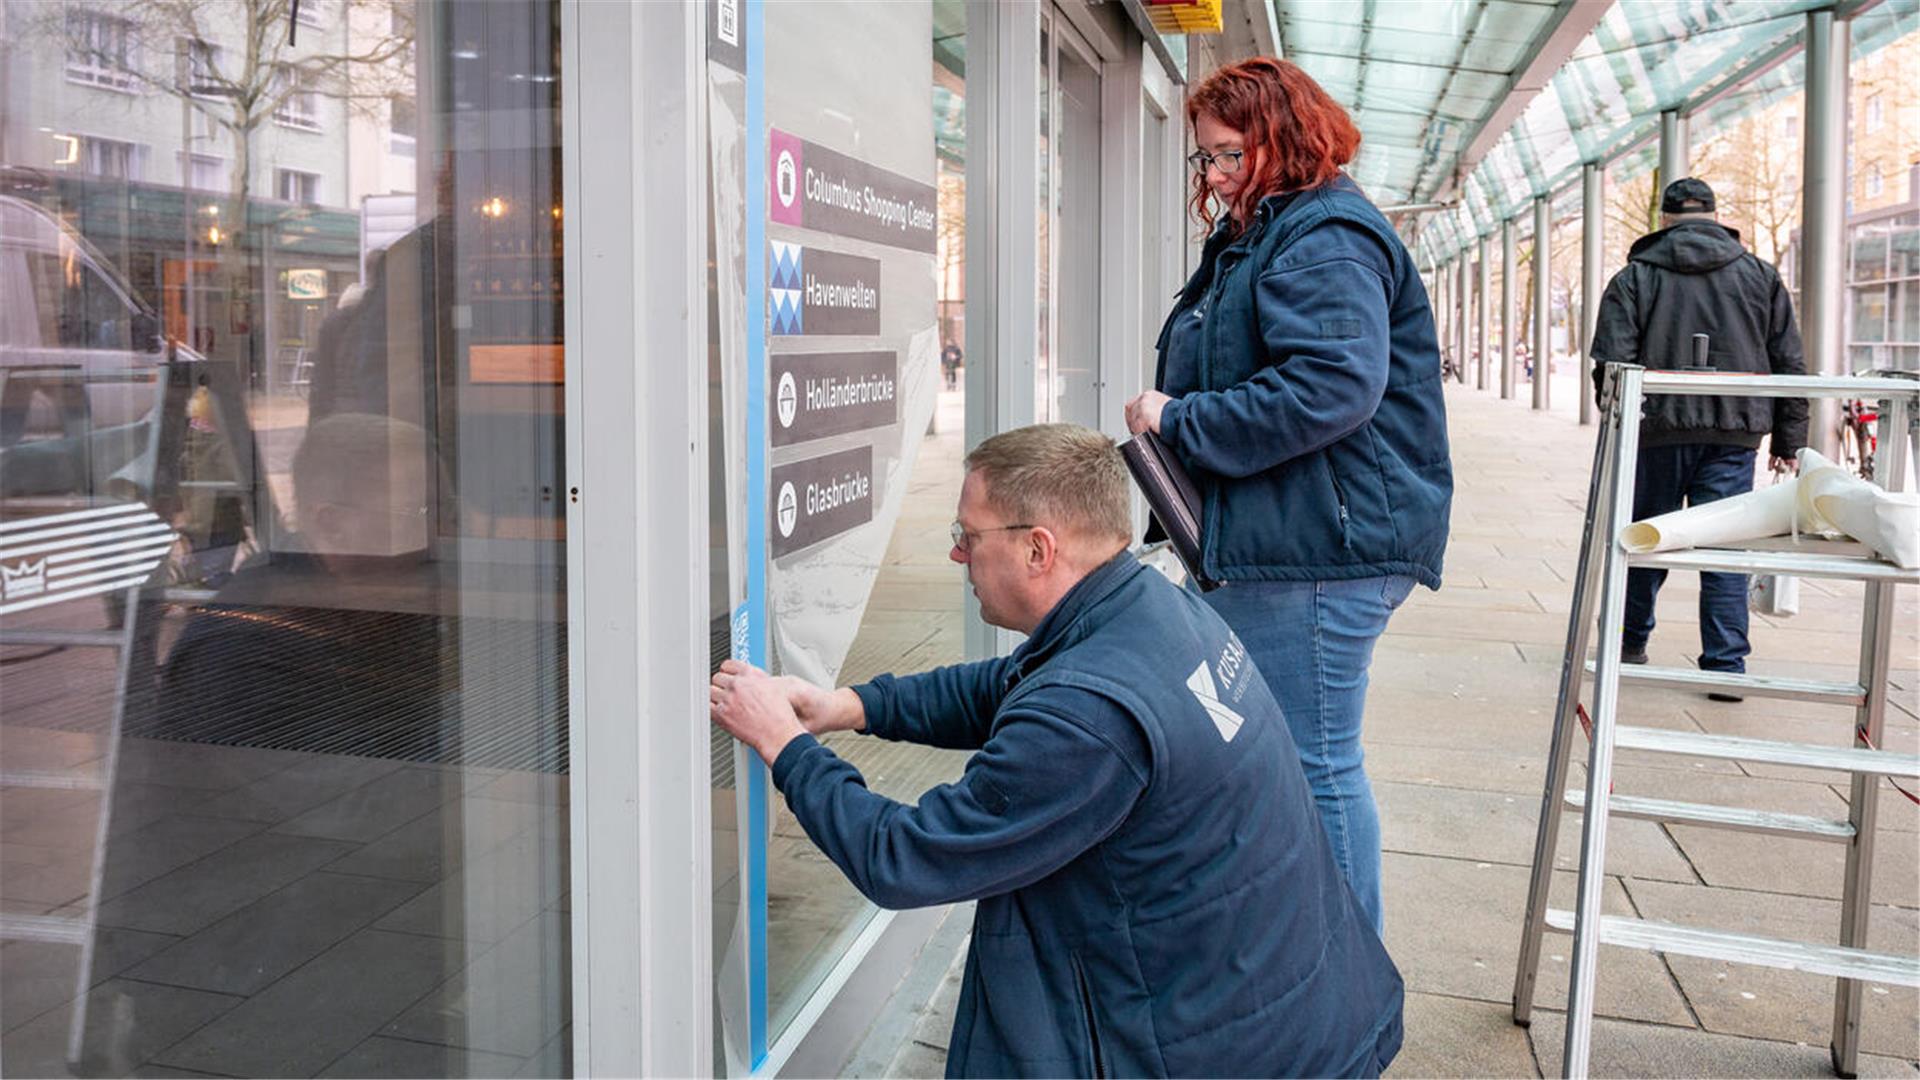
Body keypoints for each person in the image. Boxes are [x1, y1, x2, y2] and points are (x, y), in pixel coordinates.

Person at [710, 423, 1404, 1079]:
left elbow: (905, 857)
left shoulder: (1088, 717)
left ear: (1038, 550)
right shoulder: (1151, 609)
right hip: (1288, 1004)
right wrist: (851, 707)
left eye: (967, 536)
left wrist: (787, 744)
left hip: (1232, 1052)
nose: (957, 554)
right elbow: (1013, 684)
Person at [1120, 56, 1452, 932]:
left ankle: (1341, 994)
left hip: (1318, 548)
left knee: (1313, 765)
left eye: (1230, 155)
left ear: (1286, 139)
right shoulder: (1273, 231)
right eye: (1205, 160)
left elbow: (1332, 386)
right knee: (1295, 760)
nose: (1216, 175)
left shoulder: (1325, 236)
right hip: (1290, 537)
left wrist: (1178, 417)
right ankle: (1310, 969)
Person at [1589, 177, 1809, 700]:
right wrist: (1788, 442)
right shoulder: (1761, 276)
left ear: (1664, 221)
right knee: (1724, 546)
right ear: (1715, 217)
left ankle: (1629, 643)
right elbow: (1790, 363)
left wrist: (1616, 420)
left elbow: (1610, 365)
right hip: (1736, 434)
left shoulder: (1634, 278)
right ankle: (1725, 666)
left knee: (1646, 540)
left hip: (1656, 432)